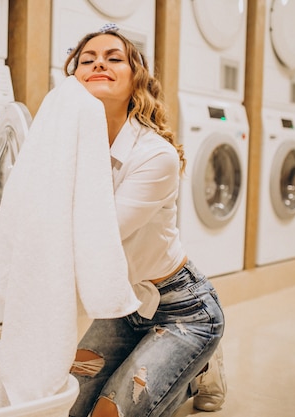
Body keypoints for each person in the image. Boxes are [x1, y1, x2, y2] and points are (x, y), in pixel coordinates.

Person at [63, 26, 226, 417]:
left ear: (136, 77)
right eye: (87, 60)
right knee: (68, 406)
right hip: (124, 304)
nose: (98, 62)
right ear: (73, 79)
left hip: (182, 309)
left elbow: (96, 235)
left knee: (110, 412)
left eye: (113, 58)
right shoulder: (68, 145)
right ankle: (187, 365)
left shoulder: (155, 155)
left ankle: (197, 364)